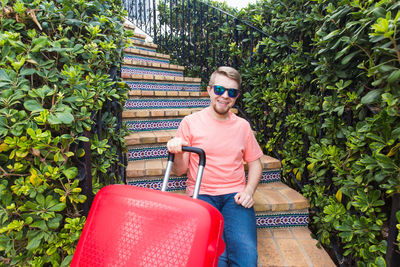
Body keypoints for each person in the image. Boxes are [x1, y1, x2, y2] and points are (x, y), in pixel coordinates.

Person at [167, 66, 263, 266]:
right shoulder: (190, 122)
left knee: (247, 260)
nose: (225, 96)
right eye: (220, 89)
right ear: (210, 90)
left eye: (232, 92)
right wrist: (178, 152)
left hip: (235, 197)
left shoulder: (243, 126)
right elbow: (179, 170)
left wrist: (249, 191)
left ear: (236, 96)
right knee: (214, 259)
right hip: (201, 195)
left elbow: (255, 163)